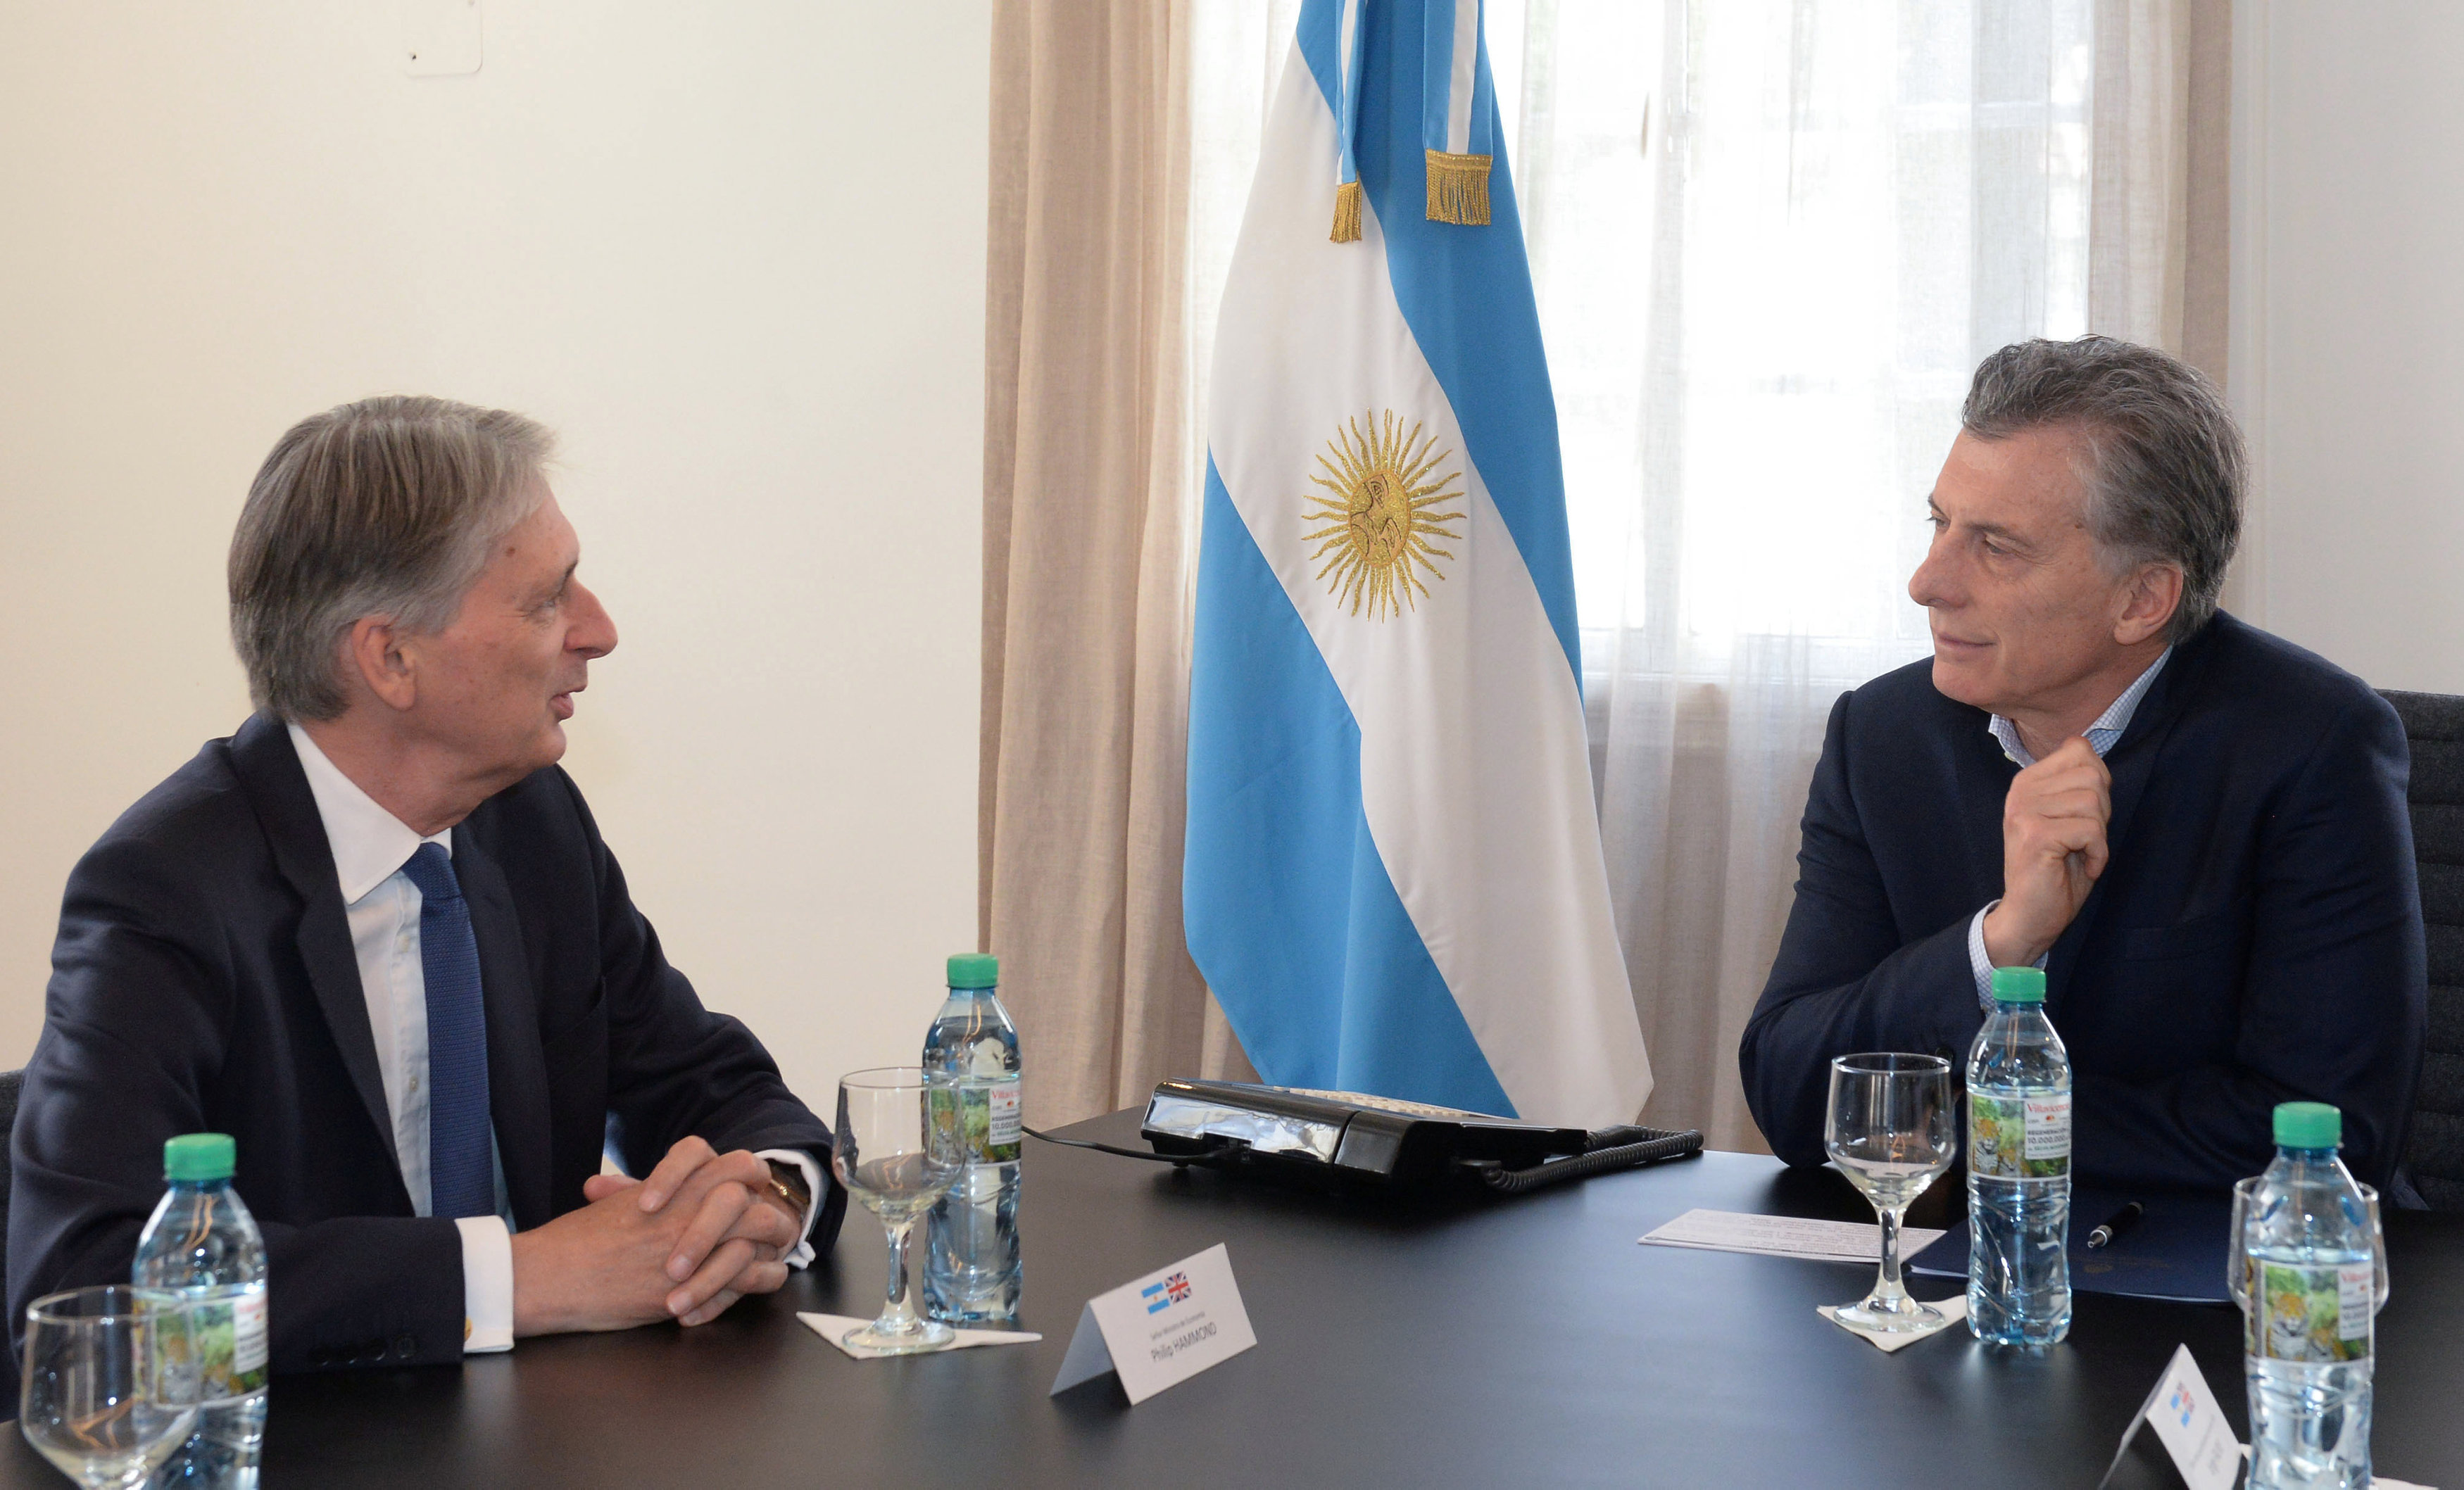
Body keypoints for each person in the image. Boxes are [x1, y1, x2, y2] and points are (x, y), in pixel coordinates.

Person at [10, 397, 847, 1376]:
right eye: (547, 600)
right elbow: (83, 1286)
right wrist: (519, 1278)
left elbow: (711, 1082)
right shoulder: (166, 888)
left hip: (547, 1430)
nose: (600, 630)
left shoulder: (532, 823)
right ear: (391, 658)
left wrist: (762, 1202)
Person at [1738, 337, 2426, 1194]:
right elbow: (1790, 1087)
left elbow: (2332, 1131)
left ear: (2140, 599)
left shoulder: (2311, 745)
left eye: (1994, 545)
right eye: (1938, 523)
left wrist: (1973, 1121)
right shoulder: (1880, 735)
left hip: (2217, 1264)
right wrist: (1997, 942)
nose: (1926, 581)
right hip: (1954, 1249)